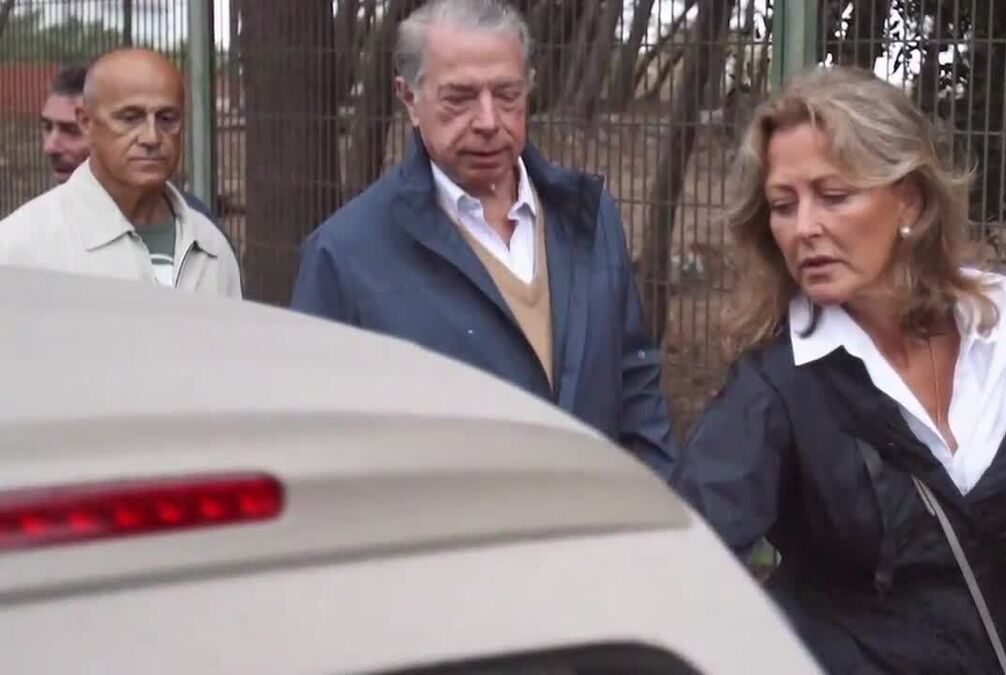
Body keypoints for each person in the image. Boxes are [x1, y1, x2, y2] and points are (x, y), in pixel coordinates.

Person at [672, 66, 1006, 674]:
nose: (804, 228)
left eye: (834, 196)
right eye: (783, 205)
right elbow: (683, 567)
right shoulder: (780, 382)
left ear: (909, 199)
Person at [290, 0, 675, 478]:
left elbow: (635, 386)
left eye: (507, 95)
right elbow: (320, 452)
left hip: (595, 520)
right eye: (460, 98)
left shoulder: (587, 219)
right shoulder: (345, 257)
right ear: (409, 98)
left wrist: (658, 508)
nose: (489, 121)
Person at [0, 49, 241, 298]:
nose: (151, 137)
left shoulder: (211, 247)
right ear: (86, 122)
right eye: (130, 119)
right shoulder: (21, 248)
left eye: (167, 119)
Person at [38, 61, 216, 219]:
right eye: (47, 127)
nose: (50, 147)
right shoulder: (34, 230)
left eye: (72, 131)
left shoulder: (198, 227)